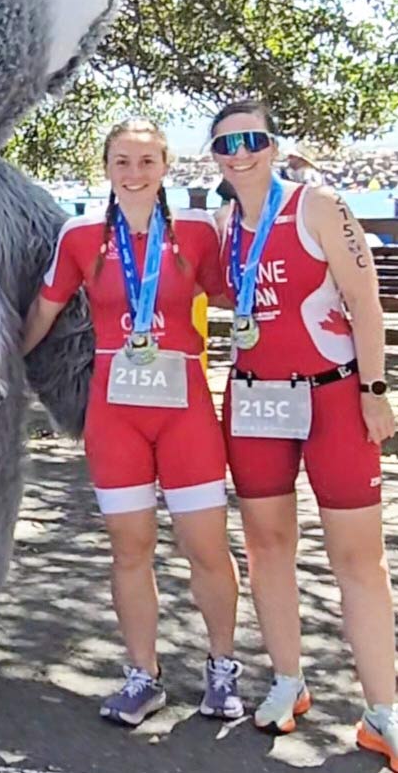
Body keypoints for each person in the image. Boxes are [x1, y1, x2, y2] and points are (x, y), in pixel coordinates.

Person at [23, 118, 242, 727]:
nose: (135, 173)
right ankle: (143, 676)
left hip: (185, 412)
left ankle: (222, 667)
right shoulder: (81, 236)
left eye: (147, 161)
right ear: (107, 168)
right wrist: (2, 365)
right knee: (130, 549)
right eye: (122, 161)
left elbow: (234, 293)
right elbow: (44, 308)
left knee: (205, 547)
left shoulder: (197, 231)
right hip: (114, 412)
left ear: (166, 167)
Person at [210, 100, 396, 758]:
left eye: (252, 138)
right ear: (214, 156)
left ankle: (383, 708)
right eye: (225, 143)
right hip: (257, 402)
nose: (240, 152)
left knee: (359, 559)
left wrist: (375, 389)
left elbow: (364, 303)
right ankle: (289, 679)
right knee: (266, 546)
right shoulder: (224, 221)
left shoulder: (317, 204)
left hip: (333, 397)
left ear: (272, 143)